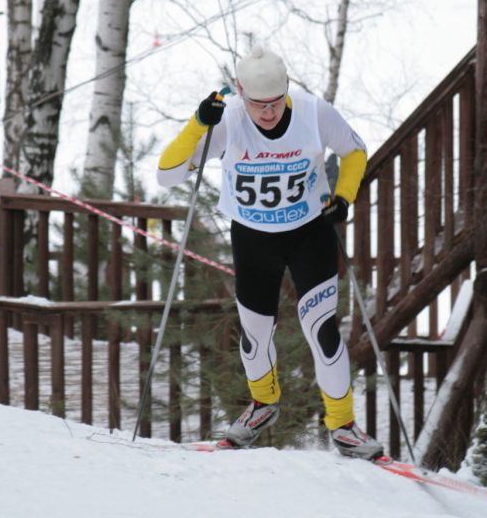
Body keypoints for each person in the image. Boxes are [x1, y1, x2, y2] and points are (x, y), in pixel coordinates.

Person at [157, 45, 383, 460]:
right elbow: (168, 174)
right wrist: (197, 125)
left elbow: (355, 151)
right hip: (253, 237)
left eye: (276, 103)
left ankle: (344, 425)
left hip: (308, 232)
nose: (268, 113)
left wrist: (344, 196)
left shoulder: (316, 113)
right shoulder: (225, 120)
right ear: (240, 91)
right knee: (255, 333)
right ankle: (263, 405)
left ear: (288, 90)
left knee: (322, 328)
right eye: (258, 104)